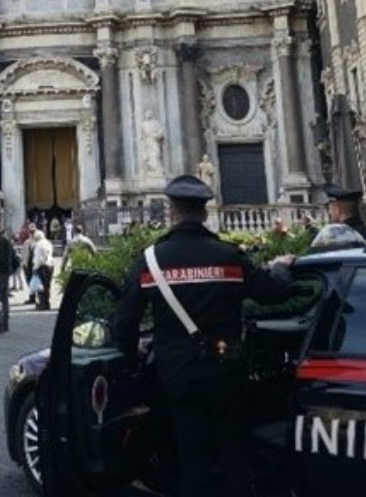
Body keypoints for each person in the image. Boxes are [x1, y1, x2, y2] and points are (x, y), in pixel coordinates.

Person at [113, 174, 295, 497]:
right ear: (205, 212)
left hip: (177, 376)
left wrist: (128, 360)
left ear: (172, 211)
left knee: (191, 459)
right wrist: (281, 266)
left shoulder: (151, 260)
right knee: (234, 458)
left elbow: (124, 324)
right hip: (226, 370)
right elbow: (274, 293)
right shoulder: (228, 256)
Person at [29, 229, 54, 311]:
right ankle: (47, 303)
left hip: (41, 266)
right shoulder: (48, 243)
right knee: (47, 286)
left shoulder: (38, 245)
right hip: (50, 265)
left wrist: (35, 268)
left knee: (41, 286)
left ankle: (42, 304)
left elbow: (38, 258)